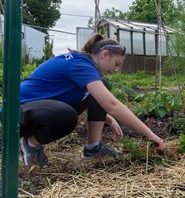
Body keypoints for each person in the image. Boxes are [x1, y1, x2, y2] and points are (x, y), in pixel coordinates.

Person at [19, 33, 166, 168]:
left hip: (37, 110)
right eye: (117, 64)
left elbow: (92, 99)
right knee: (67, 116)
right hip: (18, 114)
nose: (116, 70)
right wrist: (152, 136)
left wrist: (109, 119)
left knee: (103, 87)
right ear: (104, 54)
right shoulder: (81, 65)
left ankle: (93, 147)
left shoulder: (84, 63)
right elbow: (112, 105)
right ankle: (30, 144)